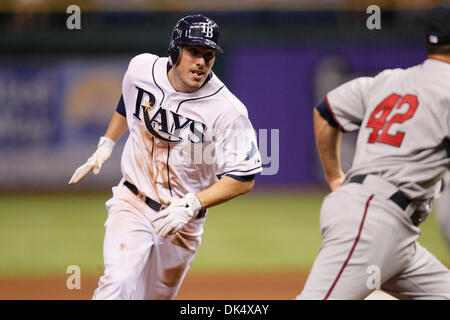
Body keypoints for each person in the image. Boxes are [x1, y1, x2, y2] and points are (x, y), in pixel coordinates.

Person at [68, 14, 262, 300]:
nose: (201, 62)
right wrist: (106, 144)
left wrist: (192, 203)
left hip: (183, 222)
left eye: (209, 55)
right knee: (118, 283)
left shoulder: (228, 110)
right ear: (174, 50)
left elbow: (244, 178)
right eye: (194, 51)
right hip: (133, 200)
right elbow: (128, 99)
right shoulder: (141, 69)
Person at [297, 2, 450, 300]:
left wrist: (335, 178)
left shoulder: (390, 80)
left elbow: (326, 112)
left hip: (394, 230)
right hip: (373, 219)